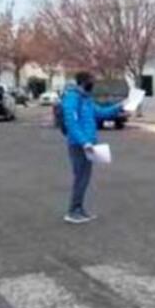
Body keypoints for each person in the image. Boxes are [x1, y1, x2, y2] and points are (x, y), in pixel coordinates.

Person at [61, 71, 125, 224]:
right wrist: (84, 142)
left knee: (84, 179)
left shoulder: (86, 99)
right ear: (83, 82)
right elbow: (72, 123)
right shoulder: (72, 98)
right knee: (80, 178)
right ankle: (73, 212)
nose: (93, 84)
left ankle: (79, 209)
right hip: (79, 145)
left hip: (89, 145)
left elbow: (100, 113)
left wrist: (119, 107)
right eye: (91, 81)